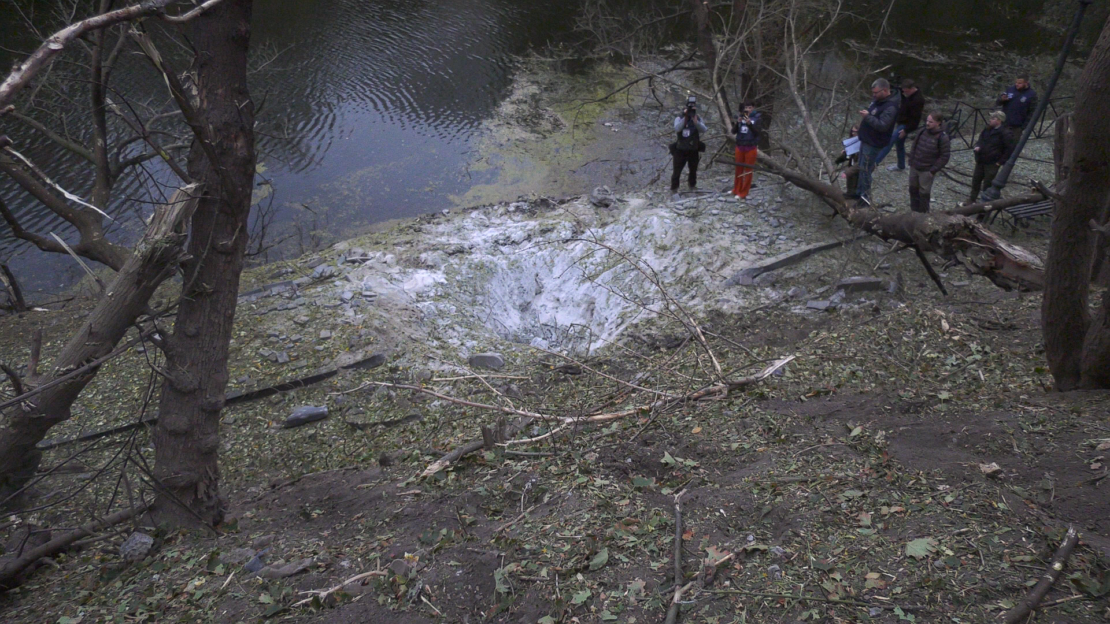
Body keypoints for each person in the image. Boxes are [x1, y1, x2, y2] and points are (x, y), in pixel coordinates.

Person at [852, 78, 900, 204]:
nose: (873, 95)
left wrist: (867, 117)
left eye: (876, 93)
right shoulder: (878, 101)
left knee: (866, 170)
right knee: (861, 168)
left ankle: (865, 199)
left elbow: (883, 125)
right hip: (866, 140)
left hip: (874, 143)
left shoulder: (891, 107)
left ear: (885, 90)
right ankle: (858, 193)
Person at [907, 112, 951, 213]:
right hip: (915, 166)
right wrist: (911, 161)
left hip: (927, 170)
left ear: (938, 123)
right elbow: (914, 146)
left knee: (924, 193)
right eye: (927, 121)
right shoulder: (922, 131)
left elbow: (945, 156)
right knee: (913, 189)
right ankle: (914, 212)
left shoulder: (943, 137)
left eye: (930, 122)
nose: (927, 123)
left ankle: (923, 214)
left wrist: (933, 170)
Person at [878, 78, 926, 171]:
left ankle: (874, 163)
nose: (905, 93)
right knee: (899, 144)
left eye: (906, 92)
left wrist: (906, 130)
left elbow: (915, 120)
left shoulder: (918, 100)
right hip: (901, 121)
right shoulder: (907, 92)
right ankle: (901, 165)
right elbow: (897, 89)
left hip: (906, 125)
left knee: (890, 141)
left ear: (912, 89)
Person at [968, 111, 1015, 203]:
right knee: (976, 181)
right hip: (981, 160)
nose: (990, 120)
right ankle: (972, 199)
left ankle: (984, 202)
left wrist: (1000, 162)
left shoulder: (1005, 133)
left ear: (999, 120)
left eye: (992, 118)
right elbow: (981, 139)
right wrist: (978, 146)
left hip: (992, 163)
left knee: (988, 184)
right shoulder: (987, 129)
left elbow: (1009, 149)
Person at [670, 96, 708, 194]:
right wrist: (685, 118)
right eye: (689, 108)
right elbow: (677, 129)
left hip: (693, 149)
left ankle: (692, 186)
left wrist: (696, 122)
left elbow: (704, 130)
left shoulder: (698, 118)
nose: (691, 110)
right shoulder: (679, 118)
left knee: (693, 170)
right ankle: (674, 188)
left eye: (693, 108)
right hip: (680, 149)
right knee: (677, 171)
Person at [732, 102, 761, 200]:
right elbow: (733, 131)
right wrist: (738, 122)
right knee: (738, 169)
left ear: (753, 108)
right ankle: (736, 189)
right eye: (746, 107)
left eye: (750, 107)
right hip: (740, 145)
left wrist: (750, 124)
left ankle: (744, 192)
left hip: (751, 147)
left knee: (748, 170)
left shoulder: (757, 118)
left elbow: (757, 133)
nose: (748, 109)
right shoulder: (741, 117)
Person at [996, 75, 1038, 140]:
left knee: (1013, 146)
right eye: (1016, 82)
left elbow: (1032, 112)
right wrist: (1001, 99)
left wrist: (1024, 126)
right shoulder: (1010, 89)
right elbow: (998, 102)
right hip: (1004, 124)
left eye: (1019, 83)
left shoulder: (1031, 94)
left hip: (1017, 126)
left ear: (1026, 83)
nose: (1017, 84)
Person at [834, 125, 860, 197]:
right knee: (850, 181)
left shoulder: (862, 144)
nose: (853, 133)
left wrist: (847, 172)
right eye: (852, 131)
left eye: (855, 132)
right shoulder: (852, 141)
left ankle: (854, 195)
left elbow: (860, 163)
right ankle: (850, 193)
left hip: (857, 168)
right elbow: (849, 155)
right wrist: (841, 158)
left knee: (855, 179)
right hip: (852, 164)